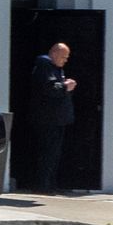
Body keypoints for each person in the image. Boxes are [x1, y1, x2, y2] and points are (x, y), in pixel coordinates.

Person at [27, 42, 77, 193]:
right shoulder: (45, 66)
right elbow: (49, 88)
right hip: (48, 120)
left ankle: (50, 184)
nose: (65, 60)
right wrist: (65, 86)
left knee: (54, 154)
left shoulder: (55, 69)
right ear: (54, 53)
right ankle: (43, 185)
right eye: (63, 57)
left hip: (57, 120)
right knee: (47, 153)